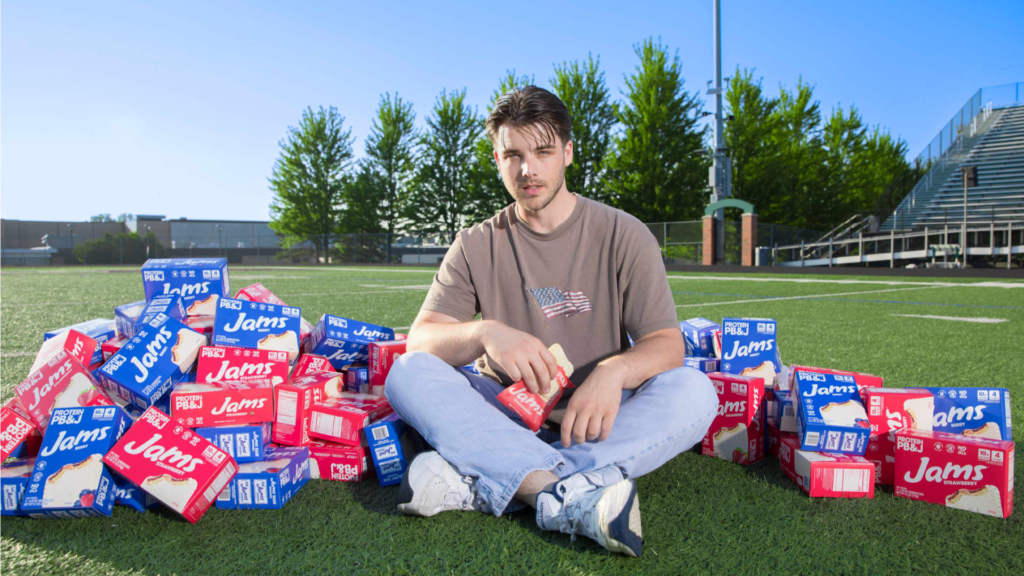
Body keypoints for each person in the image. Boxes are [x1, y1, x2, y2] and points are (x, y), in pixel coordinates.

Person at [385, 86, 718, 557]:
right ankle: (561, 494)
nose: (528, 169)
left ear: (567, 152)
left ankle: (488, 481)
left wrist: (613, 371)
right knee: (408, 372)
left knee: (695, 392)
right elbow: (421, 340)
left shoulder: (625, 233)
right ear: (498, 160)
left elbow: (666, 344)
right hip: (499, 411)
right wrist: (485, 333)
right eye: (513, 155)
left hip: (599, 416)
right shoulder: (476, 243)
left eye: (542, 151)